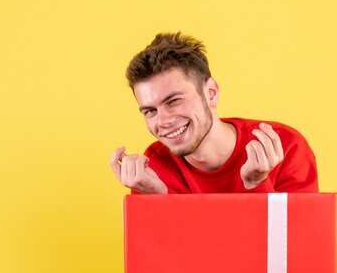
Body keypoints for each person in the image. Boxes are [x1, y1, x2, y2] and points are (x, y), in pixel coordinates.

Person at [109, 32, 318, 194]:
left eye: (173, 101)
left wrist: (256, 185)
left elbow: (296, 247)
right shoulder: (153, 169)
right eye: (150, 111)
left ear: (210, 93)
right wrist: (158, 200)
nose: (163, 121)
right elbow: (170, 250)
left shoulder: (285, 147)